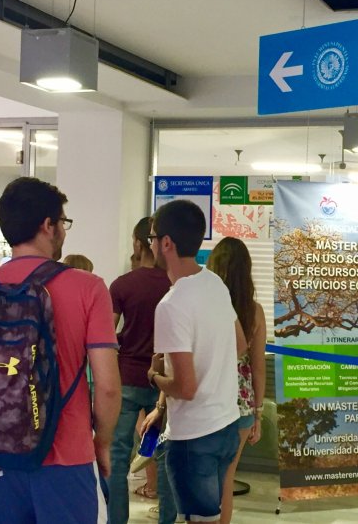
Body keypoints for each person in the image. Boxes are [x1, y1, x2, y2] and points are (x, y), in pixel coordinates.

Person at [0, 177, 120, 524]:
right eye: (63, 223)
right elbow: (107, 386)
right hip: (66, 459)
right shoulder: (88, 288)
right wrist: (102, 442)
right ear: (48, 225)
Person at [141, 200, 245, 523]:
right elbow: (240, 345)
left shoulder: (171, 305)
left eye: (152, 238)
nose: (150, 244)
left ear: (166, 243)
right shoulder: (214, 283)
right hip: (227, 425)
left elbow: (185, 388)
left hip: (194, 438)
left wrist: (154, 376)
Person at [106, 217, 174, 524]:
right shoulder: (173, 284)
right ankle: (167, 519)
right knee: (164, 454)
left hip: (128, 378)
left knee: (118, 457)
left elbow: (107, 336)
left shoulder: (122, 285)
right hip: (165, 382)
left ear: (138, 242)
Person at [206, 237, 267, 524]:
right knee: (227, 476)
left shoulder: (207, 305)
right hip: (241, 402)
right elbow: (258, 366)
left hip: (207, 397)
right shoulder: (254, 311)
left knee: (202, 475)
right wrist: (259, 413)